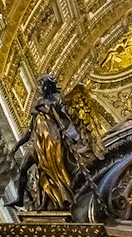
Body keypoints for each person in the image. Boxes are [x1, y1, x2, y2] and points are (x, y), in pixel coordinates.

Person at [8, 75, 85, 211]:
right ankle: (20, 199)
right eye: (40, 85)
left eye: (43, 84)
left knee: (50, 172)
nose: (41, 88)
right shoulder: (38, 102)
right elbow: (31, 129)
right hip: (37, 142)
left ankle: (53, 200)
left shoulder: (57, 102)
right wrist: (18, 145)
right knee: (24, 168)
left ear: (48, 86)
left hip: (52, 141)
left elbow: (66, 122)